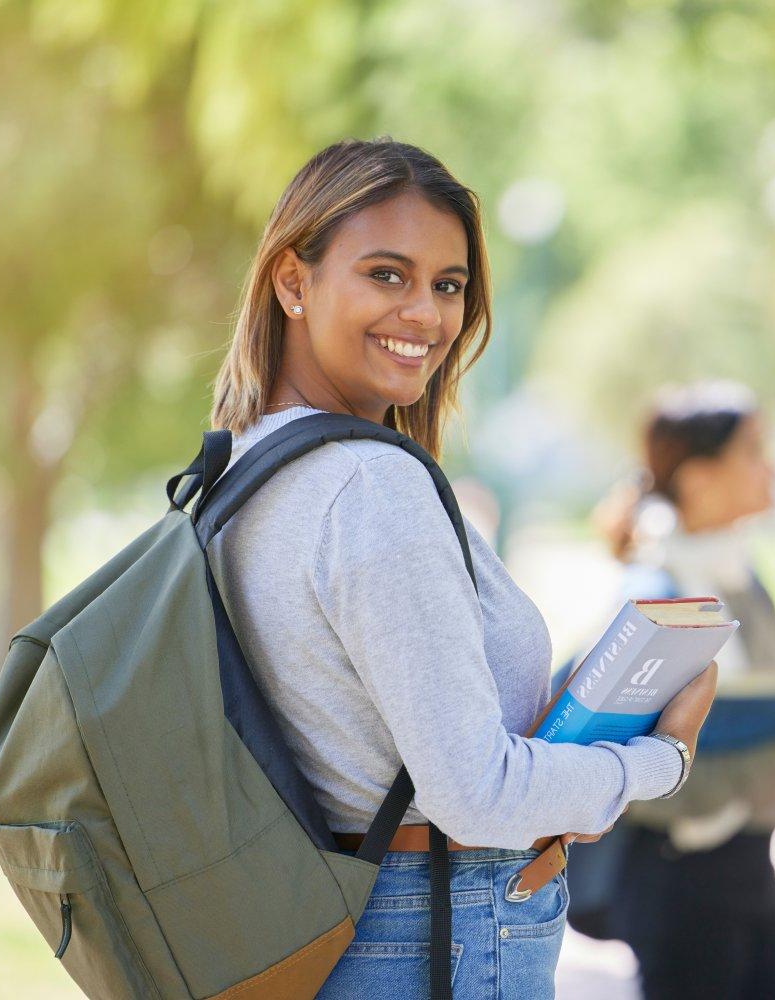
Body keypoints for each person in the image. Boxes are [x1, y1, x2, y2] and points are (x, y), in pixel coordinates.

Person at [203, 138, 719, 1000]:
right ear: (292, 281)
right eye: (386, 274)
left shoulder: (241, 463)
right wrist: (660, 758)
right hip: (434, 938)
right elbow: (476, 795)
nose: (427, 314)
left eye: (448, 285)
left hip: (325, 928)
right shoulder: (373, 486)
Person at [589, 381, 775, 1000]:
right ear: (699, 478)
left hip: (747, 860)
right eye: (753, 449)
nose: (772, 466)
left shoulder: (743, 574)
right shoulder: (655, 590)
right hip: (678, 872)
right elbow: (614, 760)